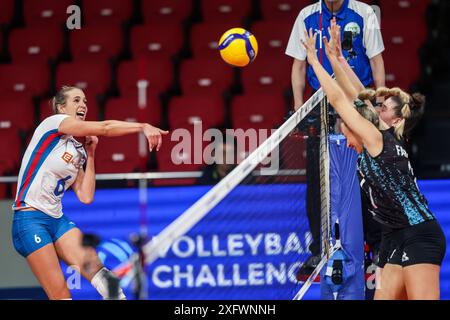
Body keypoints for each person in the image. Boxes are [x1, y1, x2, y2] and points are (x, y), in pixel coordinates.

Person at [303, 29, 446, 299]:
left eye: (346, 133)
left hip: (419, 235)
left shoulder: (377, 140)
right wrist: (336, 58)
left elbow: (339, 101)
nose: (345, 141)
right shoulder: (378, 134)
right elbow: (360, 98)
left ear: (395, 119)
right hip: (392, 236)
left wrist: (314, 61)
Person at [11, 86, 169, 300]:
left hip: (56, 220)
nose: (83, 105)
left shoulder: (77, 151)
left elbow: (86, 196)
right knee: (60, 294)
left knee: (100, 273)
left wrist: (91, 154)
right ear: (61, 107)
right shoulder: (52, 125)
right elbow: (105, 127)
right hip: (29, 219)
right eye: (76, 100)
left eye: (85, 101)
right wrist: (142, 126)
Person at [286, 0, 385, 274]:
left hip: (357, 99)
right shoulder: (306, 16)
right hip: (321, 105)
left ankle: (376, 245)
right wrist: (298, 107)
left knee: (368, 178)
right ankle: (319, 250)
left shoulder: (364, 13)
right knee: (317, 182)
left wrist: (378, 101)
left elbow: (376, 60)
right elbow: (298, 65)